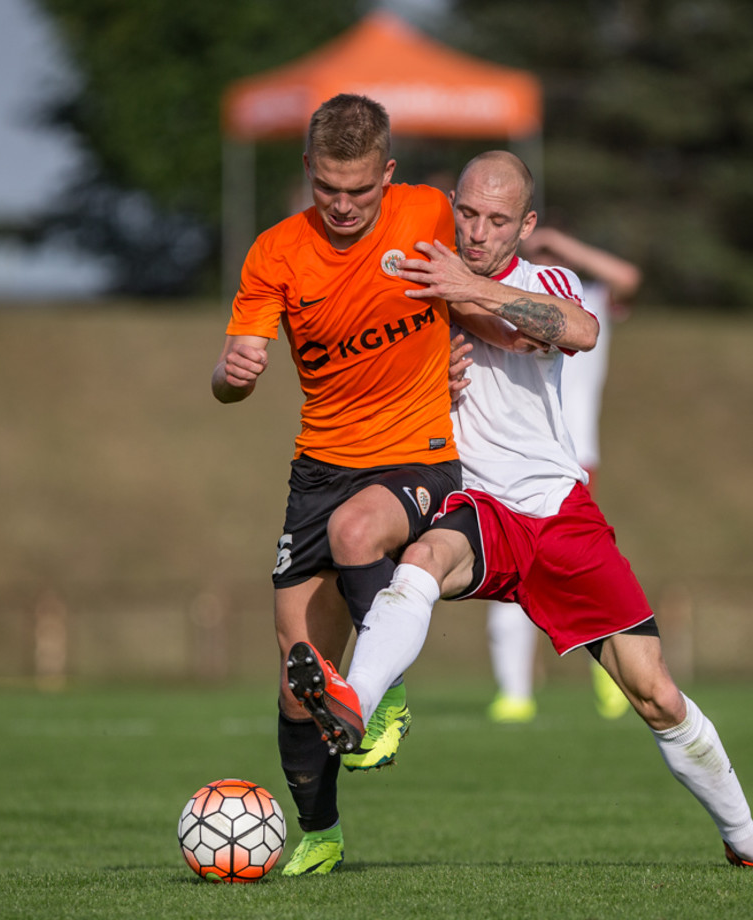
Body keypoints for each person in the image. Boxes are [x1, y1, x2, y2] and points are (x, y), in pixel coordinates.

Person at [286, 150, 753, 869]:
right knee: (420, 559)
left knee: (656, 693)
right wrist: (423, 376)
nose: (477, 230)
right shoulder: (415, 277)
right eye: (467, 213)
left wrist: (467, 289)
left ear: (525, 224)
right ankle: (359, 702)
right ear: (453, 203)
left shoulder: (541, 282)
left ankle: (744, 838)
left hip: (560, 512)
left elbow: (578, 330)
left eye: (497, 219)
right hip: (476, 503)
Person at [211, 94, 461, 876]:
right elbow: (233, 375)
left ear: (388, 174)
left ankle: (384, 696)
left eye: (361, 190)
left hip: (417, 456)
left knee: (361, 531)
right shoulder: (275, 254)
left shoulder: (430, 215)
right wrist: (230, 373)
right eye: (329, 189)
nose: (345, 206)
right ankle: (319, 833)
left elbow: (494, 283)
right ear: (308, 172)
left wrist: (483, 353)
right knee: (299, 686)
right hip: (319, 469)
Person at [486, 227, 643, 724]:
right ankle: (515, 692)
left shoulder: (584, 296)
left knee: (578, 568)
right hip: (507, 451)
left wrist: (560, 245)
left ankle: (612, 667)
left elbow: (628, 277)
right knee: (511, 570)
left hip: (572, 454)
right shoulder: (504, 294)